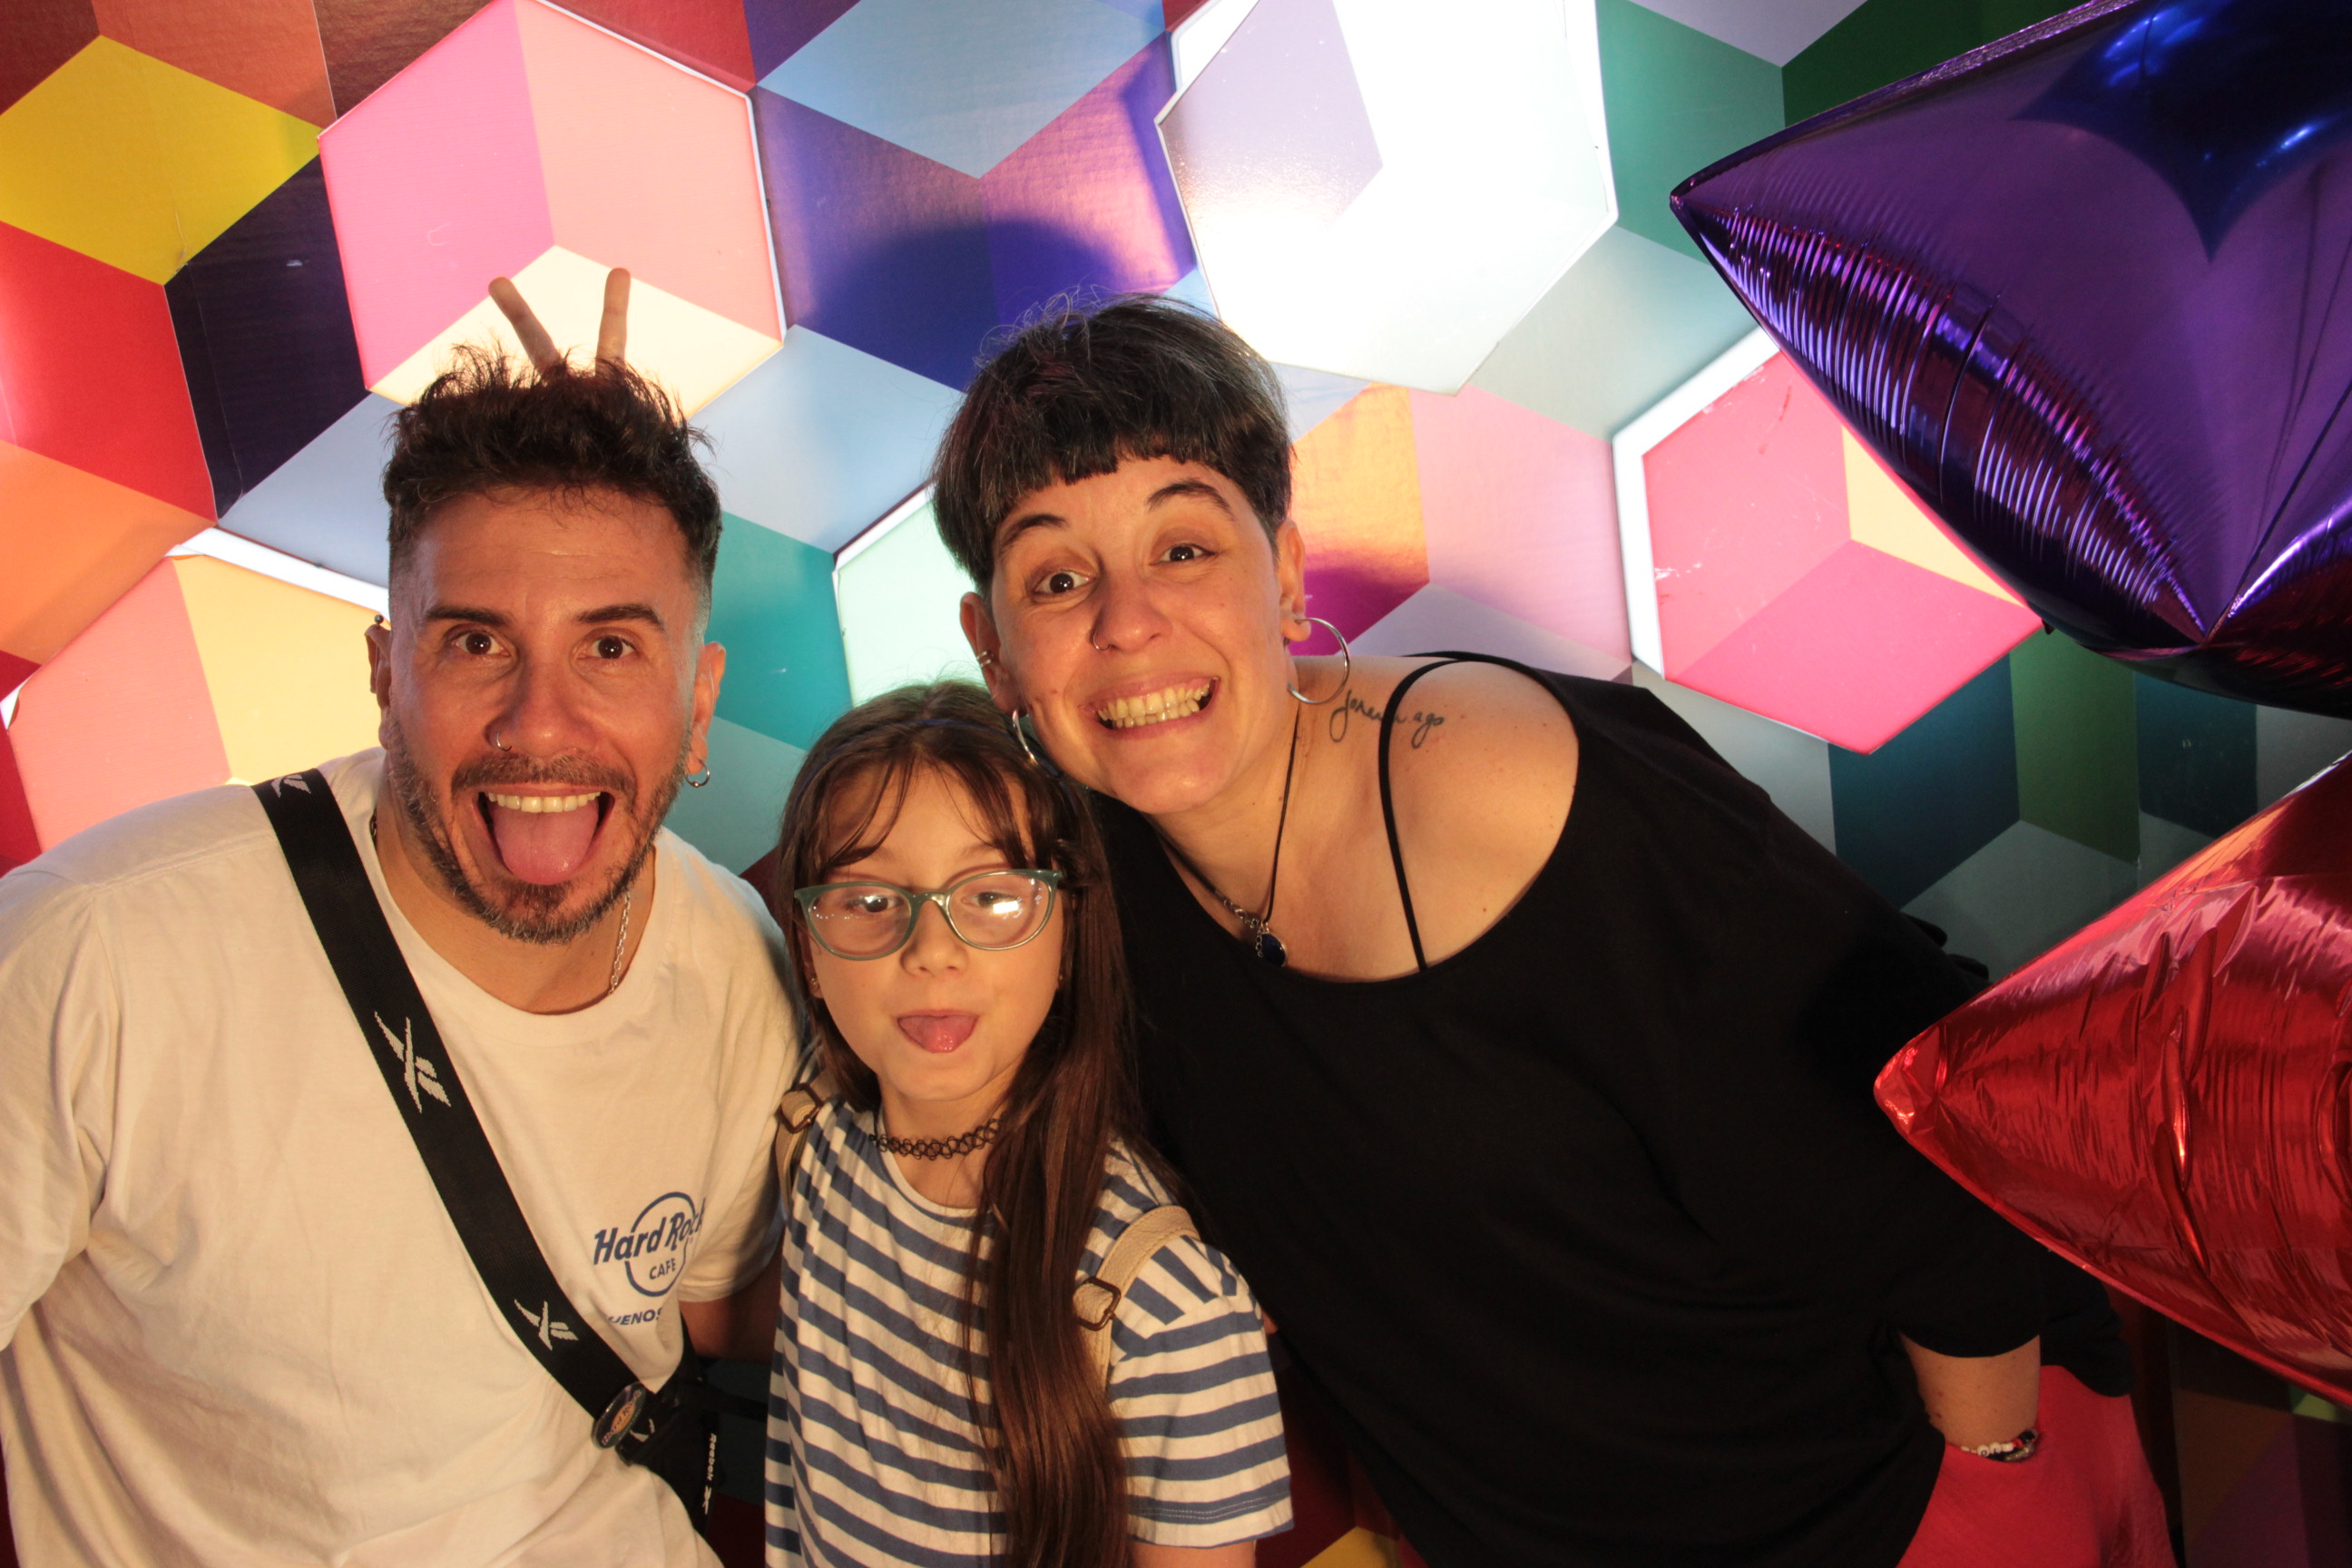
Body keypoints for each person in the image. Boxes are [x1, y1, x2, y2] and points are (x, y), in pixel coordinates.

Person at [936, 297, 2172, 1567]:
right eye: (1058, 579)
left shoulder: (1509, 796)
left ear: (1287, 571)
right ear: (995, 650)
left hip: (1892, 1508)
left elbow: (1935, 1183)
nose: (1127, 623)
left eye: (1184, 548)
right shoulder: (1061, 880)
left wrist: (1998, 1480)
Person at [0, 285, 797, 1566]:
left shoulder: (730, 952)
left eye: (610, 649)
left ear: (697, 706)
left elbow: (724, 1311)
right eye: (477, 642)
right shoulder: (92, 957)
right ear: (384, 673)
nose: (540, 724)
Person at [754, 680, 1289, 1568]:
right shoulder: (815, 1132)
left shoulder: (1169, 1309)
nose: (931, 952)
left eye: (994, 897)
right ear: (807, 949)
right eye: (870, 901)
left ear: (1068, 929)